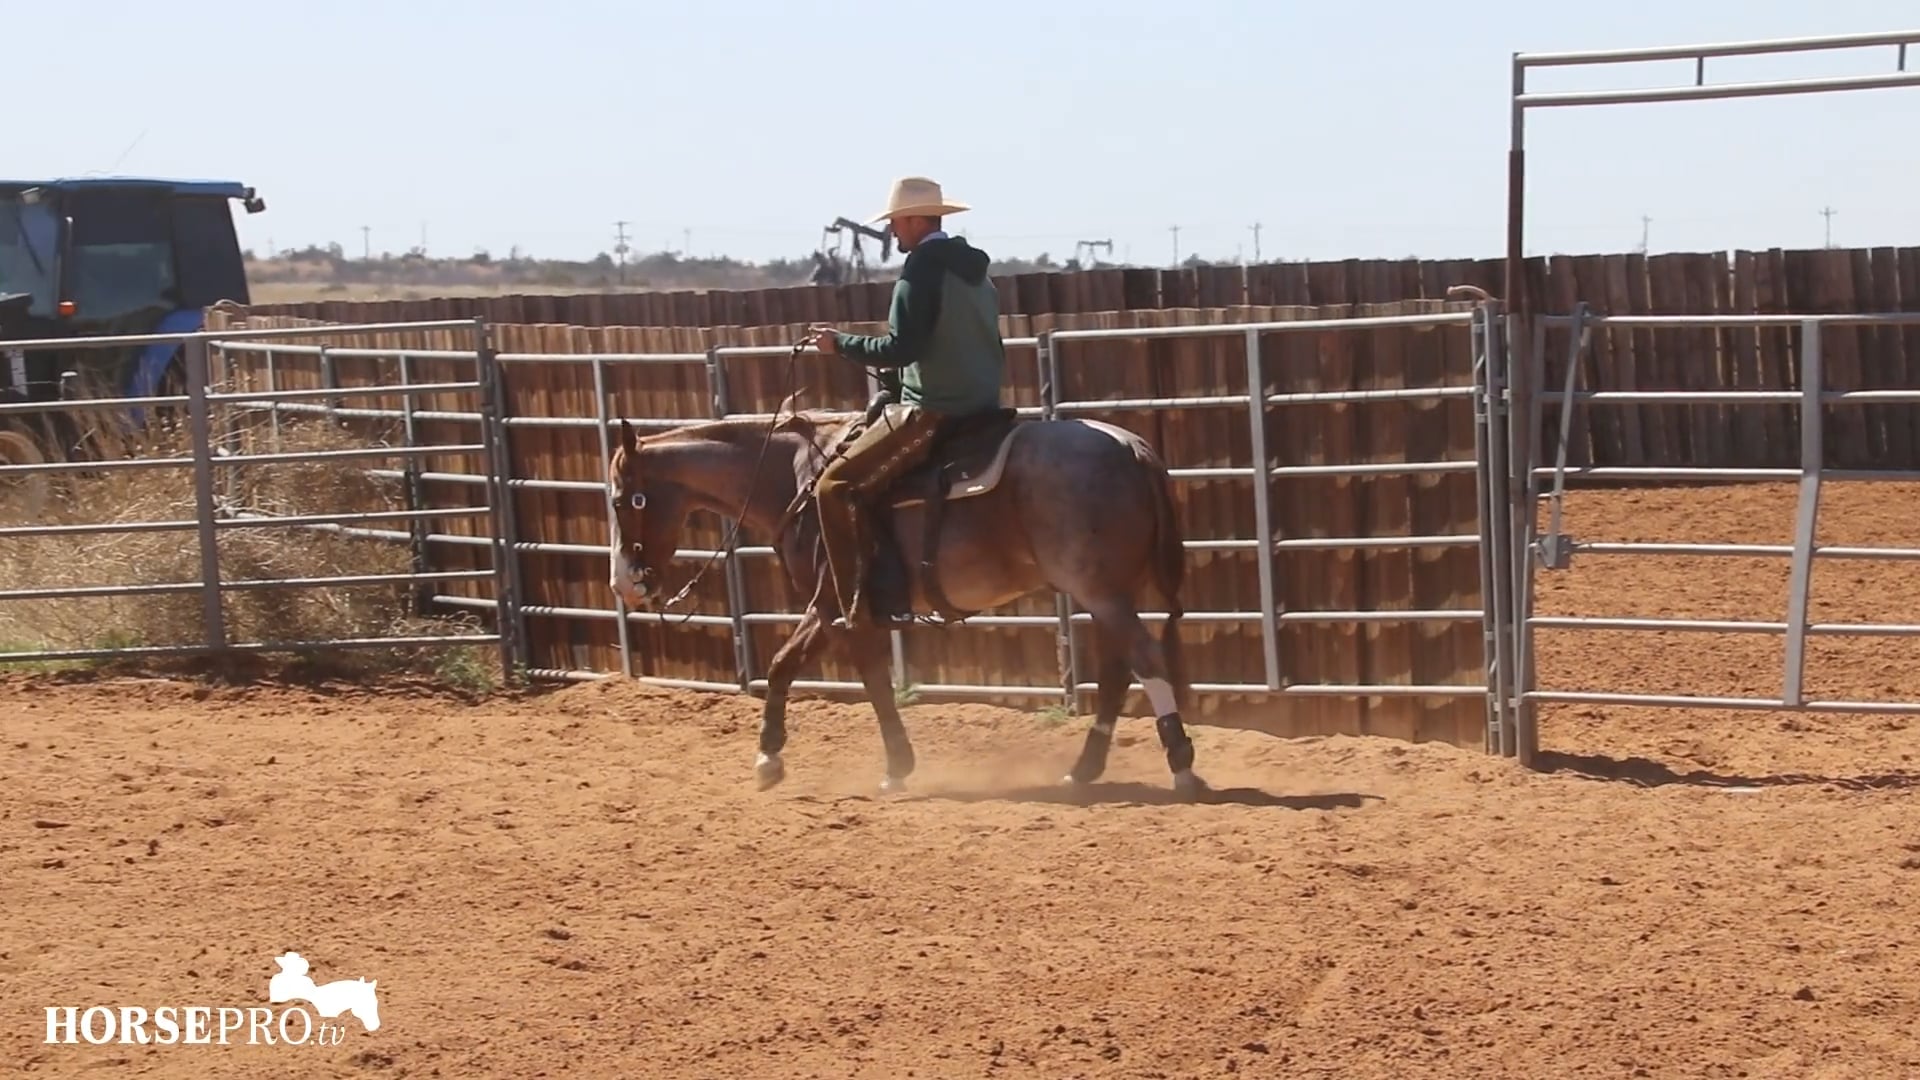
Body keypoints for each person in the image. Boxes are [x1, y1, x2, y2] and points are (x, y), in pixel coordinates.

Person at [808, 176, 1007, 631]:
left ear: (917, 220)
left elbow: (902, 348)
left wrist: (839, 344)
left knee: (834, 489)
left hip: (936, 410)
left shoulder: (921, 270)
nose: (894, 232)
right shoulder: (974, 271)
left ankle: (862, 604)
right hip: (983, 404)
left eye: (897, 222)